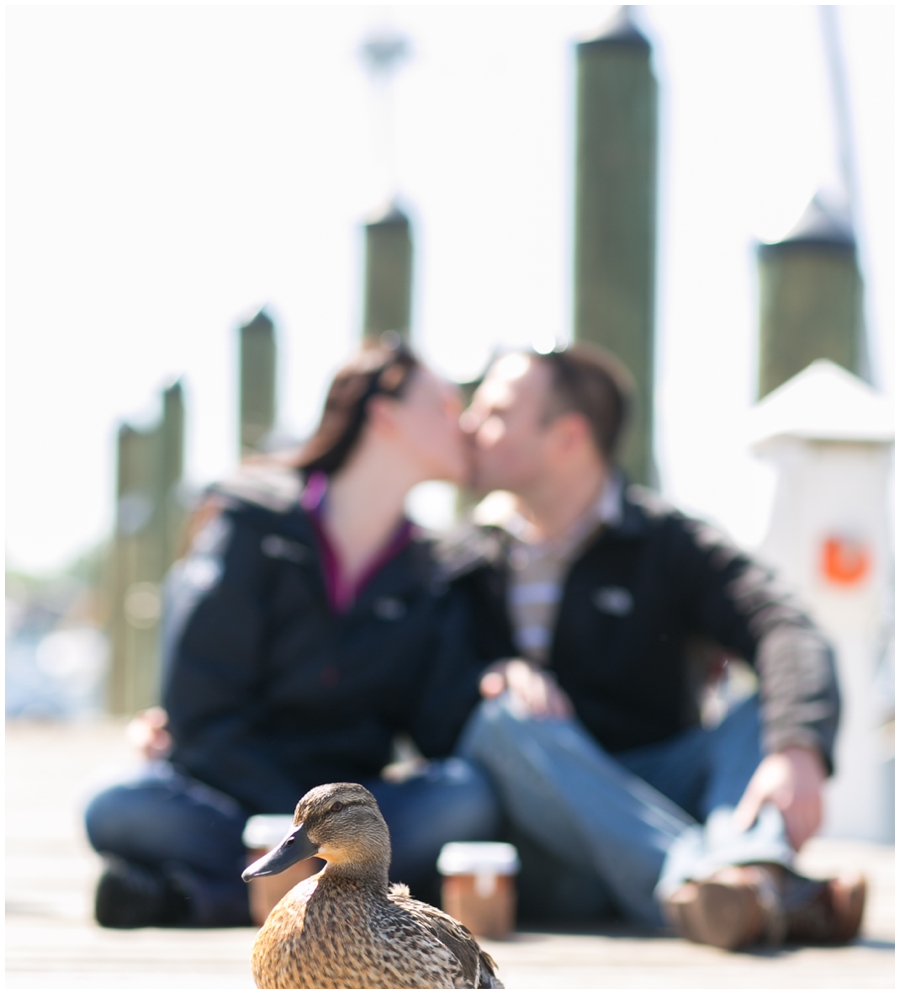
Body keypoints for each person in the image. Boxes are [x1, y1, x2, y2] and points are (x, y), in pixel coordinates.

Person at [450, 344, 865, 949]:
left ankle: (732, 885)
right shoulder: (463, 557)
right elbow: (428, 688)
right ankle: (746, 883)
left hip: (660, 786)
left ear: (567, 437)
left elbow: (785, 626)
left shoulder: (668, 542)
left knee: (762, 713)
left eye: (496, 411)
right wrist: (494, 673)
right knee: (501, 720)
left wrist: (798, 746)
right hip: (548, 839)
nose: (469, 426)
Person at [86, 340, 499, 929]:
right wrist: (297, 829)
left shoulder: (433, 569)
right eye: (444, 405)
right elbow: (200, 711)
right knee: (118, 805)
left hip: (352, 812)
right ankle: (321, 890)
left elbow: (439, 729)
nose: (464, 425)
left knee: (465, 799)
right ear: (385, 414)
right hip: (236, 797)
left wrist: (500, 665)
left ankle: (207, 897)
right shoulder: (250, 523)